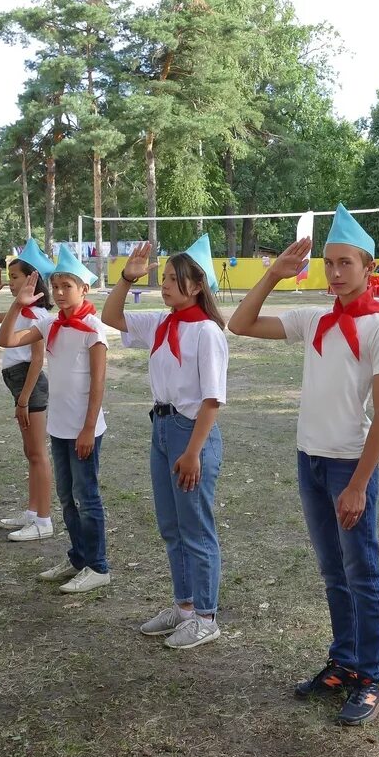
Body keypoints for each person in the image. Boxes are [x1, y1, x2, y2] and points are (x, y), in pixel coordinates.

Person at [229, 204, 379, 726]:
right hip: (310, 459)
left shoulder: (378, 328)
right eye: (330, 262)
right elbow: (239, 323)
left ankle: (373, 675)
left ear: (368, 268)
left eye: (346, 262)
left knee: (362, 571)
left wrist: (359, 483)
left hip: (350, 465)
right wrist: (274, 275)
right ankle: (344, 662)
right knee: (333, 571)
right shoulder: (314, 319)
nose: (336, 272)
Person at [103, 237, 229, 650]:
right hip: (161, 427)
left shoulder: (207, 332)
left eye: (175, 279)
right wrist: (126, 277)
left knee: (195, 526)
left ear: (197, 285)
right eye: (165, 278)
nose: (166, 285)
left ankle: (207, 616)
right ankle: (185, 605)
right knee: (171, 526)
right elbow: (111, 315)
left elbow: (212, 398)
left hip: (190, 431)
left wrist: (193, 451)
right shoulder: (163, 322)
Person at [0, 247, 112, 594]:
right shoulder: (49, 323)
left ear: (84, 290)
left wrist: (89, 428)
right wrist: (18, 303)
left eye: (68, 286)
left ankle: (98, 566)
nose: (60, 292)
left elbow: (98, 384)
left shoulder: (93, 329)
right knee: (66, 496)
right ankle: (78, 558)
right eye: (56, 286)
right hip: (59, 425)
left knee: (86, 496)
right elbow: (6, 339)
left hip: (83, 428)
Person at [0, 239, 56, 540]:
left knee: (38, 454)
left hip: (30, 386)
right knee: (31, 452)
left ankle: (44, 521)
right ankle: (31, 512)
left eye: (15, 278)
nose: (11, 283)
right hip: (20, 384)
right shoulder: (22, 314)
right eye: (10, 278)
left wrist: (24, 399)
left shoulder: (38, 318)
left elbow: (37, 360)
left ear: (32, 279)